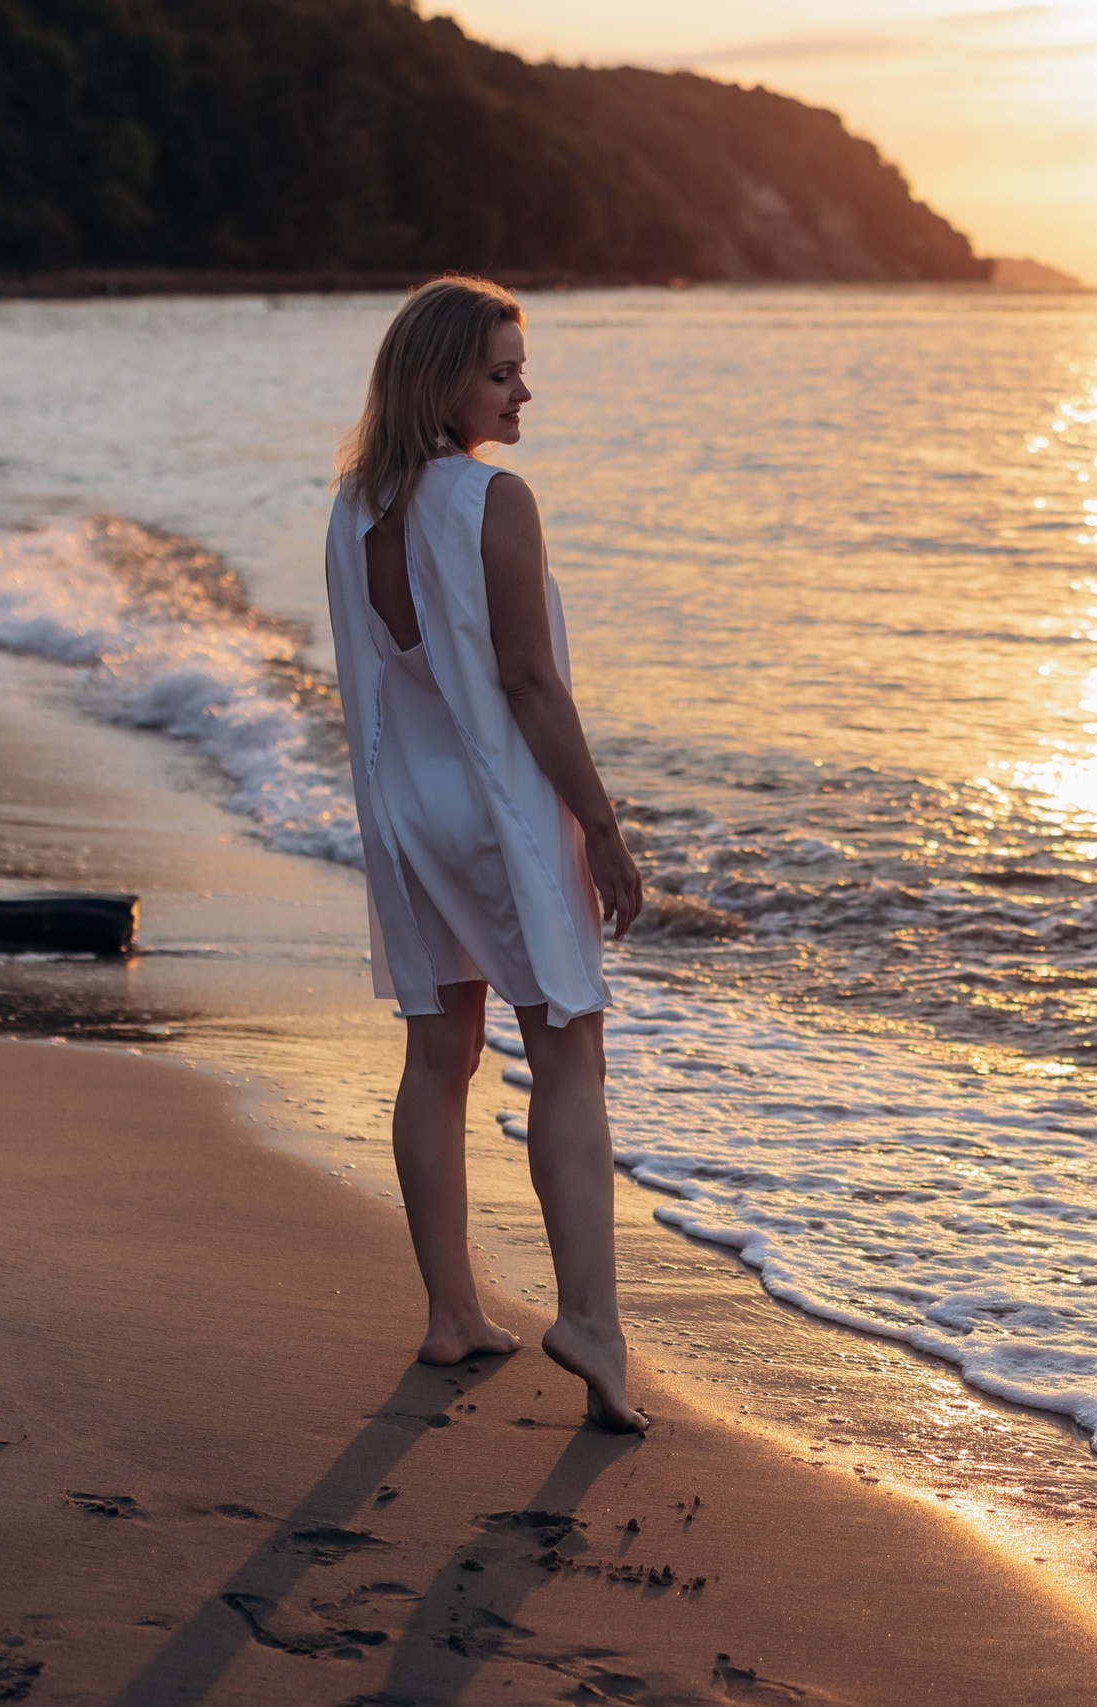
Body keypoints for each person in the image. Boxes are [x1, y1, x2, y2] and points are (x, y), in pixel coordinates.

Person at [323, 275, 648, 1431]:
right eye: (501, 370)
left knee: (436, 1054)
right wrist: (601, 830)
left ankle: (452, 1312)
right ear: (442, 377)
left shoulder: (355, 508)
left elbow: (379, 679)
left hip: (404, 809)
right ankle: (591, 1323)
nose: (521, 390)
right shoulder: (492, 499)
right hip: (499, 814)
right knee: (568, 1047)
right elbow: (524, 683)